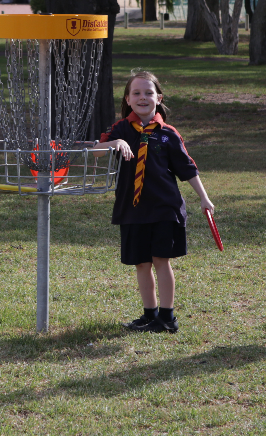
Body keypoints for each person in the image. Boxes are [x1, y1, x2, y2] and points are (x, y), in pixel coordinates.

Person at [93, 71, 215, 334]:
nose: (142, 97)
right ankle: (149, 315)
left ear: (158, 98)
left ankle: (167, 317)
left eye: (148, 93)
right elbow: (94, 150)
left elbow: (188, 168)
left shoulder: (168, 134)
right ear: (127, 98)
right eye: (136, 93)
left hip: (164, 208)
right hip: (132, 208)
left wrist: (204, 198)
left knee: (161, 260)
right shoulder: (120, 129)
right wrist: (115, 142)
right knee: (141, 263)